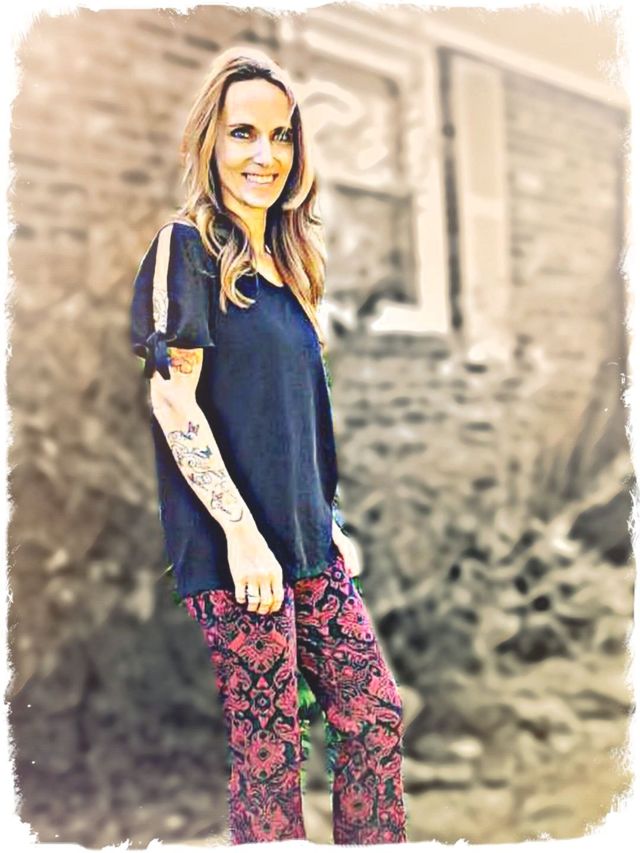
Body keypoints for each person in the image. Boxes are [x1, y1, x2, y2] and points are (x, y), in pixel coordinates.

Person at [129, 45, 408, 846]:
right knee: (270, 757)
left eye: (281, 135)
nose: (265, 155)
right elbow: (173, 398)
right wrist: (243, 534)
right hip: (237, 552)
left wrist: (327, 520)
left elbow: (290, 417)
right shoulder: (185, 249)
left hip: (305, 542)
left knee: (374, 718)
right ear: (210, 143)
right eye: (243, 133)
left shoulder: (287, 269)